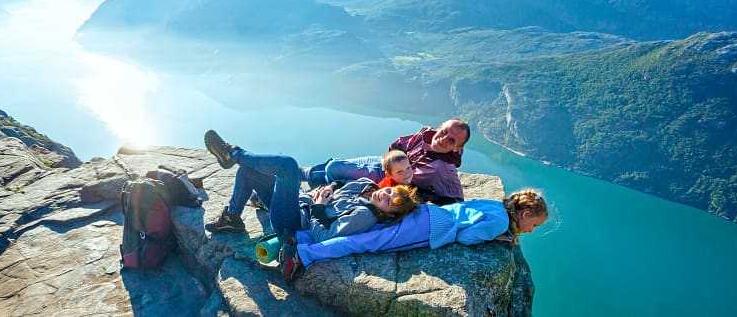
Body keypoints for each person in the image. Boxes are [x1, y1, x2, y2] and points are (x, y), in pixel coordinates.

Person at [201, 130, 421, 278]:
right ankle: (232, 217)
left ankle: (233, 153)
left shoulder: (365, 215)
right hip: (294, 201)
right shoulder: (366, 185)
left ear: (388, 214)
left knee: (287, 165)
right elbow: (340, 181)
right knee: (248, 171)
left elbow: (324, 236)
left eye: (390, 203)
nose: (386, 196)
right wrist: (331, 188)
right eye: (390, 191)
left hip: (294, 221)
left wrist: (318, 207)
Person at [279, 188, 548, 281]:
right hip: (429, 228)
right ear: (524, 215)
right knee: (366, 242)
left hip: (426, 214)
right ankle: (303, 255)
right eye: (533, 224)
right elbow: (466, 237)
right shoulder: (500, 224)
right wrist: (495, 237)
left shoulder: (497, 205)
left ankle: (302, 238)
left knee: (372, 231)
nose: (531, 230)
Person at [304, 118, 471, 205]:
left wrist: (422, 198)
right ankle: (304, 175)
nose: (442, 139)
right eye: (444, 131)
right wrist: (393, 158)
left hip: (392, 178)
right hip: (385, 162)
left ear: (457, 148)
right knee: (335, 166)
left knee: (337, 169)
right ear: (440, 127)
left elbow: (455, 199)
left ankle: (305, 180)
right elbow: (398, 144)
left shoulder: (443, 168)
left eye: (451, 141)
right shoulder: (426, 134)